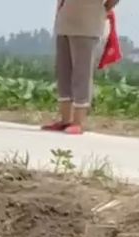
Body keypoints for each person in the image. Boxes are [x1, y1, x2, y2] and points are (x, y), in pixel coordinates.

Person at [44, 0, 118, 135]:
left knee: (81, 73)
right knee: (63, 72)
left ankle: (78, 122)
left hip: (88, 25)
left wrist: (104, 9)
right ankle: (65, 119)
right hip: (65, 22)